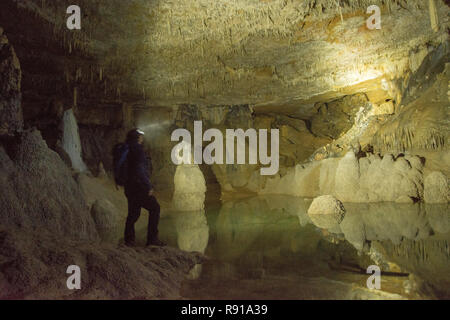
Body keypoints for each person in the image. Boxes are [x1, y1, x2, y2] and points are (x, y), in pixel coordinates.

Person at [123, 129, 166, 247]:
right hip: (139, 186)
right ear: (138, 138)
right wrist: (148, 186)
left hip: (129, 187)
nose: (143, 138)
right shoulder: (138, 150)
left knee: (133, 213)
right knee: (155, 208)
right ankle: (152, 239)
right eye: (141, 136)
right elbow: (140, 170)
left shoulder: (127, 148)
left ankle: (129, 240)